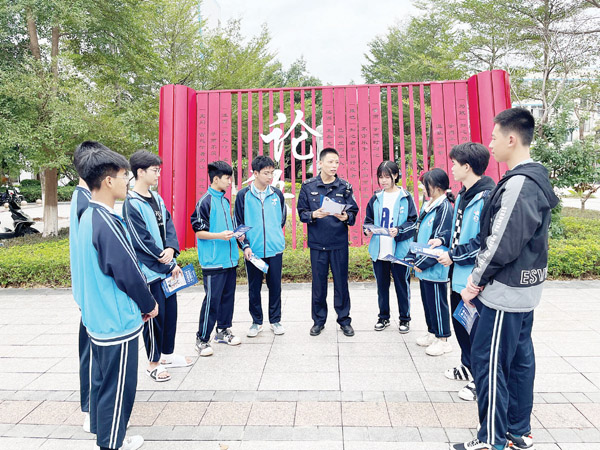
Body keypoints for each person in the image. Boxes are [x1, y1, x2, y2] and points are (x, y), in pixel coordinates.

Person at [456, 108, 559, 450]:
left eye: (494, 137)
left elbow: (500, 242)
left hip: (504, 292)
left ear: (511, 139)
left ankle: (491, 438)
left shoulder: (519, 183)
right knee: (519, 360)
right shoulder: (536, 178)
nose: (490, 144)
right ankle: (517, 431)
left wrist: (474, 282)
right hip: (525, 290)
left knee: (489, 361)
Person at [77, 146, 157, 450]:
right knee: (119, 387)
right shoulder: (107, 222)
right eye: (124, 176)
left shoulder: (89, 216)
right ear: (109, 181)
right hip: (116, 320)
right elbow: (127, 272)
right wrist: (149, 304)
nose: (127, 182)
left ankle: (103, 432)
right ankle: (112, 442)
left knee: (102, 382)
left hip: (97, 318)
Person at [431, 143, 495, 402]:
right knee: (461, 325)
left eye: (455, 164)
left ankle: (481, 381)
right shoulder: (462, 195)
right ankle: (468, 366)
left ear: (467, 167)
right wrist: (442, 241)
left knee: (478, 334)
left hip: (474, 280)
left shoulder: (488, 197)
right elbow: (456, 231)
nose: (452, 169)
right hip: (457, 277)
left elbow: (484, 241)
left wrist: (453, 254)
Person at [123, 150, 193, 382]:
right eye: (154, 170)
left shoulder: (157, 198)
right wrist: (167, 264)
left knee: (170, 314)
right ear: (140, 172)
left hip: (167, 268)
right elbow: (141, 241)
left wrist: (172, 249)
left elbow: (169, 226)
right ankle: (153, 364)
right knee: (154, 318)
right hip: (151, 273)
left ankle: (168, 355)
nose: (158, 174)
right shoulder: (131, 203)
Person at [297, 148, 359, 337]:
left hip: (339, 243)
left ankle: (344, 320)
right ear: (320, 163)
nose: (334, 166)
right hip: (318, 244)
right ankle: (318, 321)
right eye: (330, 162)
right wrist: (314, 214)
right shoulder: (308, 186)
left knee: (341, 284)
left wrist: (346, 217)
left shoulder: (344, 187)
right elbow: (302, 213)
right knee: (318, 285)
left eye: (337, 162)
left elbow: (353, 212)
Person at [69, 141, 104, 433]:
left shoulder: (80, 196)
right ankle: (92, 410)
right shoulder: (85, 203)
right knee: (92, 353)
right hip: (90, 293)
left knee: (90, 350)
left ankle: (93, 406)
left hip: (86, 291)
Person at [190, 161, 242, 357]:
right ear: (216, 179)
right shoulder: (205, 202)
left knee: (227, 298)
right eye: (227, 178)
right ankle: (202, 339)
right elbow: (199, 232)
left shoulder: (225, 201)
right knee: (212, 301)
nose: (230, 182)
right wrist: (220, 236)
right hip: (213, 261)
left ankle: (223, 331)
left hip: (229, 259)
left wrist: (237, 235)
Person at [234, 155, 287, 337]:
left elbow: (281, 220)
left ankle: (275, 320)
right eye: (266, 173)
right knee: (254, 288)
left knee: (275, 287)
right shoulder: (243, 195)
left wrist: (274, 236)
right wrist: (245, 245)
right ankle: (256, 322)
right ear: (255, 173)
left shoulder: (277, 194)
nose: (270, 176)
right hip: (253, 251)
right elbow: (238, 224)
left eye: (272, 172)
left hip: (275, 249)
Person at [363, 161, 417, 333]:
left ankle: (404, 319)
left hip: (400, 251)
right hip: (379, 250)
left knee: (402, 285)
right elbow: (368, 220)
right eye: (380, 177)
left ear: (395, 175)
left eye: (387, 176)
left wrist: (399, 230)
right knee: (382, 286)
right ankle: (383, 317)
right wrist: (367, 230)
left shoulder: (405, 197)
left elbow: (413, 222)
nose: (383, 180)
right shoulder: (376, 198)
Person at [406, 168, 454, 356]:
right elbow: (419, 232)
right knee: (428, 302)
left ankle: (443, 339)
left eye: (426, 185)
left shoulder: (444, 207)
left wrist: (422, 263)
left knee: (438, 303)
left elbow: (441, 239)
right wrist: (412, 256)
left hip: (435, 266)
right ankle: (432, 332)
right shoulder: (429, 204)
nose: (423, 188)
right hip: (424, 264)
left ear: (437, 186)